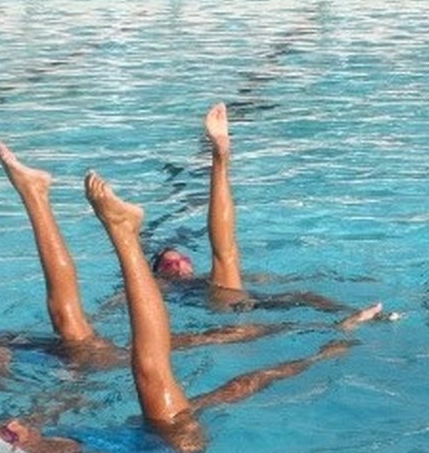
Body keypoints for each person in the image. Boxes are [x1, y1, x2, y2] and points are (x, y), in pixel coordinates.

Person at [0, 171, 377, 453]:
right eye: (5, 433)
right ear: (14, 448)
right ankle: (123, 235)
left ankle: (332, 346)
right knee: (150, 369)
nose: (11, 423)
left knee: (241, 384)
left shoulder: (50, 436)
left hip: (150, 432)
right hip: (167, 446)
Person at [149, 103, 363, 315]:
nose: (179, 267)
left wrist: (318, 277)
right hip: (218, 301)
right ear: (158, 274)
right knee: (225, 253)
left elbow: (262, 278)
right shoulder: (161, 287)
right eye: (170, 265)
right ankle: (220, 160)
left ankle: (355, 314)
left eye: (182, 260)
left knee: (305, 296)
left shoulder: (203, 277)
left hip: (239, 300)